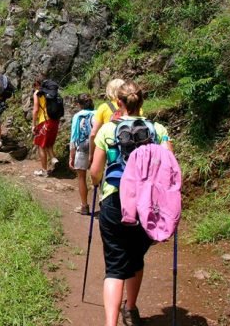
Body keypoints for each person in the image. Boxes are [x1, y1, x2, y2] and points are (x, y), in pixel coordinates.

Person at [89, 80, 172, 326]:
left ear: (119, 102)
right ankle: (131, 308)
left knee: (115, 264)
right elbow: (170, 167)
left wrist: (97, 183)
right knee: (136, 258)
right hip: (147, 203)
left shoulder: (107, 130)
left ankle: (110, 323)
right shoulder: (158, 130)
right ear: (142, 101)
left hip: (115, 201)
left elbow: (95, 171)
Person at [68, 94, 95, 215]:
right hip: (97, 146)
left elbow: (74, 137)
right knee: (100, 178)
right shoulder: (97, 113)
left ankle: (84, 206)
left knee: (81, 177)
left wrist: (71, 156)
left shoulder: (77, 116)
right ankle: (102, 205)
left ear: (79, 104)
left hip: (82, 146)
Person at [89, 78, 125, 164]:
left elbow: (93, 133)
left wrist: (91, 154)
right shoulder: (134, 107)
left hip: (109, 149)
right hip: (129, 148)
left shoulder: (104, 107)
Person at [32, 77, 59, 176]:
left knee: (40, 146)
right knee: (49, 144)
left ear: (37, 85)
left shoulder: (38, 93)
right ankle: (53, 161)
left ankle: (44, 171)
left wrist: (33, 124)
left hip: (44, 121)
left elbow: (35, 110)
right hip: (55, 121)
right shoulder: (53, 93)